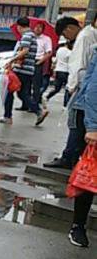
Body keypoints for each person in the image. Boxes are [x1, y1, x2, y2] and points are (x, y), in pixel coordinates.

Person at [44, 16, 97, 169]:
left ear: (69, 28)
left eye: (65, 34)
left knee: (76, 125)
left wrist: (72, 86)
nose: (66, 38)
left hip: (81, 87)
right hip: (84, 86)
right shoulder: (90, 35)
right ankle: (73, 157)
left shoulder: (84, 36)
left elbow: (78, 65)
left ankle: (69, 158)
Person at [66, 46, 97, 248]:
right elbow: (94, 90)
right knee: (89, 173)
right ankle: (78, 226)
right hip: (91, 117)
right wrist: (93, 127)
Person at [0, 17, 48, 126]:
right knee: (23, 93)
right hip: (28, 70)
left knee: (9, 91)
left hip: (21, 69)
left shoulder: (26, 36)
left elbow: (25, 51)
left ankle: (7, 116)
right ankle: (38, 111)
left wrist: (11, 60)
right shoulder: (32, 36)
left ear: (19, 27)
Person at [32, 23, 53, 108]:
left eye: (40, 27)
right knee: (26, 84)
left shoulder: (46, 39)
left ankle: (34, 104)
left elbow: (49, 52)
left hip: (38, 61)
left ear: (43, 29)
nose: (38, 28)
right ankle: (25, 104)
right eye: (36, 26)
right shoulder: (30, 37)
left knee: (36, 85)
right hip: (29, 60)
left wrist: (40, 62)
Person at [46, 41, 72, 106]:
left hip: (59, 70)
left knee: (57, 88)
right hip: (66, 71)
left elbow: (56, 60)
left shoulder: (59, 50)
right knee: (67, 88)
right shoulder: (70, 52)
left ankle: (47, 97)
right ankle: (66, 103)